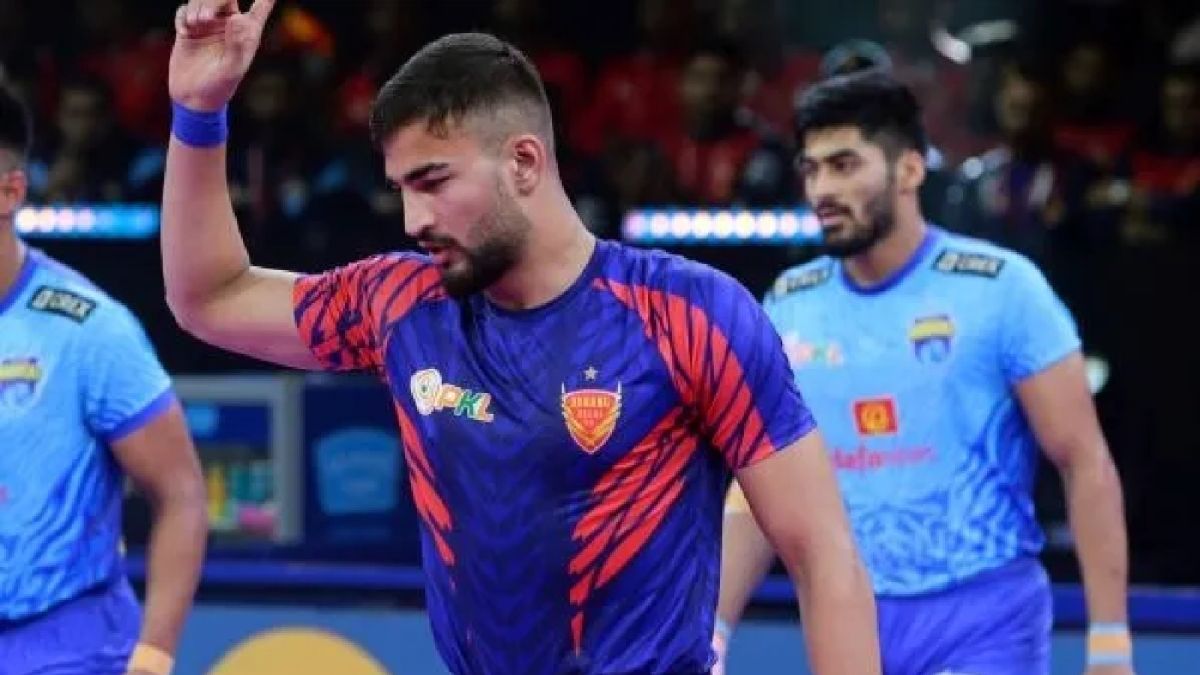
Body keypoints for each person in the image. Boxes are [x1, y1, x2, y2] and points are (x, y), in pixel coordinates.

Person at [162, 2, 880, 674]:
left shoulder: (690, 312)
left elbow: (824, 556)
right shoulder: (401, 304)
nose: (413, 219)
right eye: (402, 188)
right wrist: (198, 113)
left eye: (434, 180)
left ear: (524, 162)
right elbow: (209, 298)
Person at [714, 70, 1133, 674]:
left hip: (984, 621)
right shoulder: (788, 306)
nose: (822, 189)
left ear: (910, 170)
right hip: (844, 619)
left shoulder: (1004, 290)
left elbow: (1083, 459)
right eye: (811, 169)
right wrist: (714, 629)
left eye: (844, 165)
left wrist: (1111, 640)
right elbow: (759, 491)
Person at [0, 85, 207, 674]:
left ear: (10, 192)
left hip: (68, 649)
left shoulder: (89, 330)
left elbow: (181, 492)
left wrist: (155, 653)